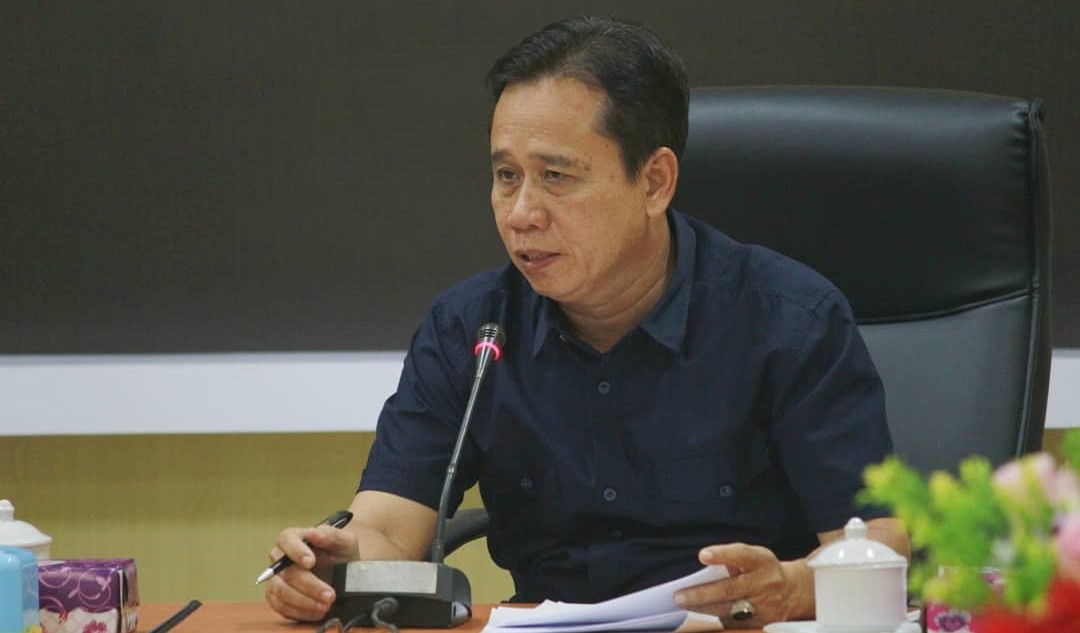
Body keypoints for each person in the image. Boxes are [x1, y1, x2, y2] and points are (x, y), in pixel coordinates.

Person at [264, 15, 910, 628]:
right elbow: (387, 527)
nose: (521, 213)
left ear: (654, 182)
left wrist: (789, 586)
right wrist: (335, 564)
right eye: (506, 176)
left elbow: (879, 541)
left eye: (555, 176)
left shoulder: (788, 319)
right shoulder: (471, 328)